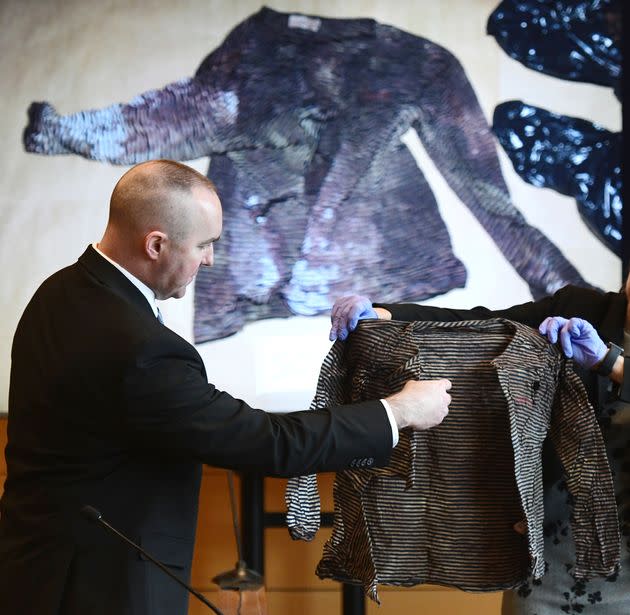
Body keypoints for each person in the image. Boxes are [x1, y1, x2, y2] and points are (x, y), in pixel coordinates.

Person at [0, 160, 452, 615]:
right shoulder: (140, 349)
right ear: (156, 244)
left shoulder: (59, 291)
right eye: (204, 245)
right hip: (101, 587)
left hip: (35, 570)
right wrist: (397, 412)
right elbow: (265, 442)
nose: (210, 260)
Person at [329, 277, 629, 614]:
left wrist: (610, 363)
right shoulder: (582, 308)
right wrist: (383, 316)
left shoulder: (603, 347)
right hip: (557, 554)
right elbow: (475, 323)